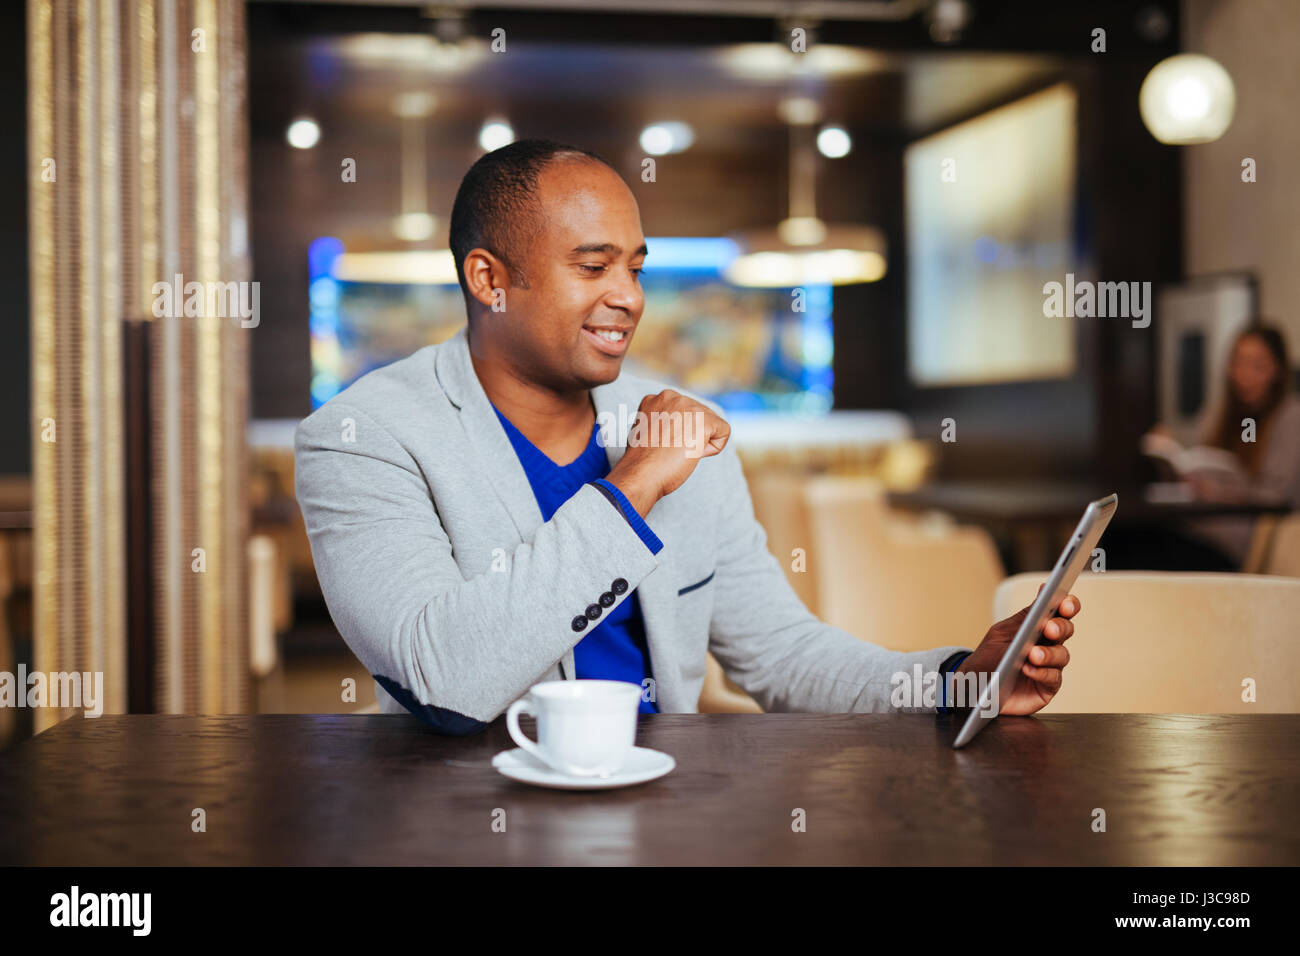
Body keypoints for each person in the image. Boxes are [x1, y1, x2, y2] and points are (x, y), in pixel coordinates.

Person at [293, 139, 1081, 733]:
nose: (628, 298)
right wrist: (634, 484)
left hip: (660, 808)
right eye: (593, 267)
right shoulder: (363, 438)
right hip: (455, 819)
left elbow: (779, 656)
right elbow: (448, 681)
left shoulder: (681, 429)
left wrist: (952, 682)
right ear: (489, 279)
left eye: (635, 268)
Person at [1143, 324, 1300, 569]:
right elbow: (1198, 463)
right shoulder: (1219, 413)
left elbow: (1276, 497)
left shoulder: (1290, 417)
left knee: (1150, 553)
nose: (1244, 375)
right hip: (1198, 527)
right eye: (1238, 363)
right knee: (1129, 539)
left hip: (1237, 541)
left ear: (1278, 371)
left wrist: (1225, 492)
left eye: (1257, 366)